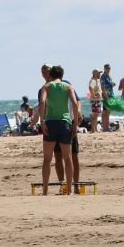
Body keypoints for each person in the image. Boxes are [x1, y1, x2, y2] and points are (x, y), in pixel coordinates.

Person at [39, 65, 81, 196]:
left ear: (50, 75)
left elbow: (42, 102)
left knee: (47, 159)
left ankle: (45, 191)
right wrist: (75, 124)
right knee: (67, 158)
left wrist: (42, 121)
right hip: (64, 123)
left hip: (51, 122)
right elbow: (75, 103)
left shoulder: (46, 87)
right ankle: (69, 190)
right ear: (62, 75)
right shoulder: (68, 87)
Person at [99, 64, 115, 132]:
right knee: (105, 112)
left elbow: (108, 85)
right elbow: (102, 88)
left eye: (109, 68)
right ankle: (105, 128)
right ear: (104, 68)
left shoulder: (109, 76)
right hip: (106, 96)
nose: (108, 69)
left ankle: (107, 127)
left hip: (111, 95)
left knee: (108, 111)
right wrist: (106, 97)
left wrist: (112, 84)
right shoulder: (103, 76)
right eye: (107, 68)